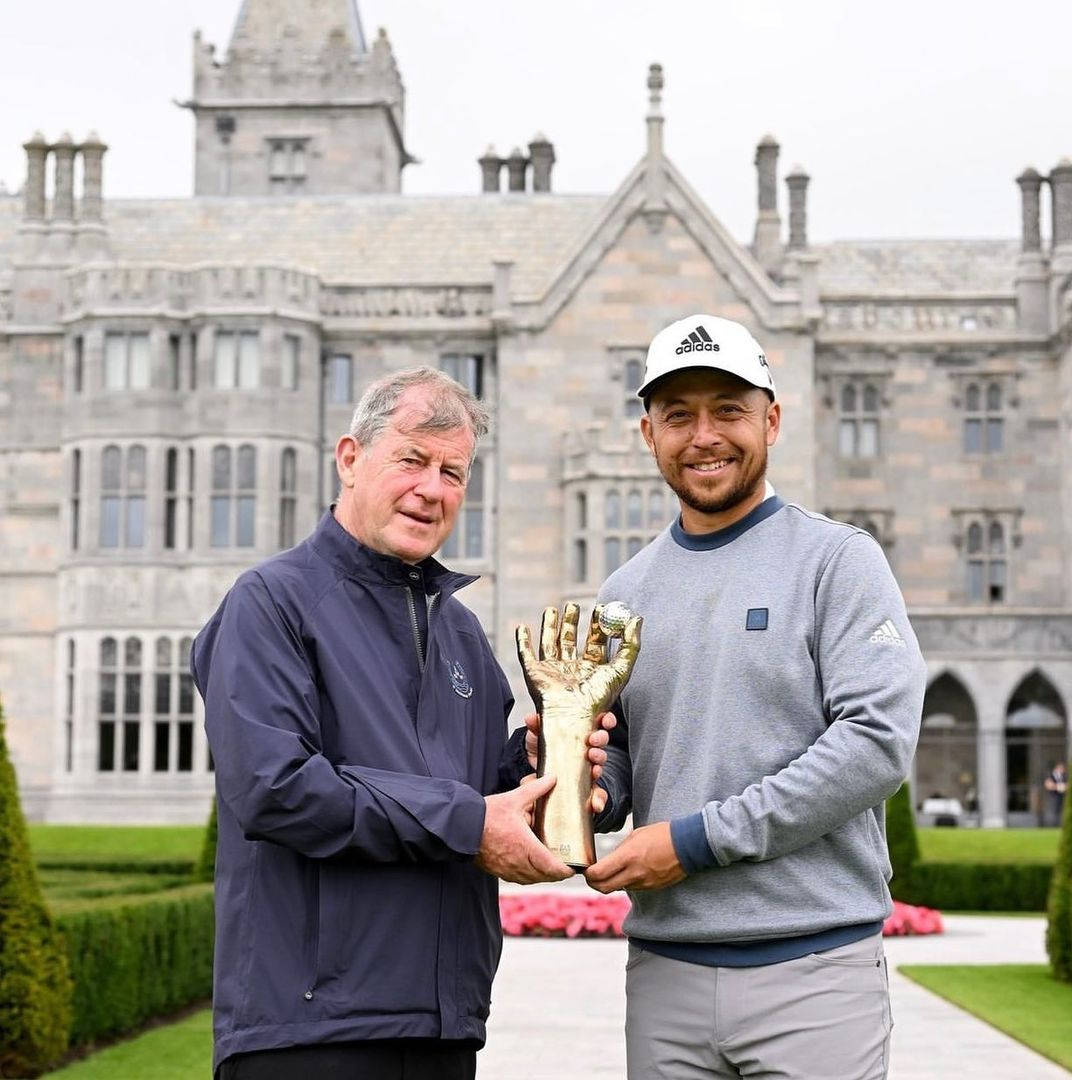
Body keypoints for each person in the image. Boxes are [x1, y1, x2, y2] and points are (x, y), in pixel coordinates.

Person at [192, 367, 613, 1080]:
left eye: (454, 471)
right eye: (412, 459)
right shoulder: (271, 604)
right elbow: (276, 788)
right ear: (351, 459)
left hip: (443, 1025)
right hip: (309, 1034)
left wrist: (543, 771)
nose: (433, 489)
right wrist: (472, 822)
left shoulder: (462, 633)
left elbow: (472, 794)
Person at [583, 314, 927, 1079]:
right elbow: (629, 761)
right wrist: (584, 782)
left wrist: (692, 843)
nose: (704, 435)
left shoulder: (836, 562)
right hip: (665, 975)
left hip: (814, 974)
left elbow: (874, 746)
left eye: (728, 410)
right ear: (649, 433)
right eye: (678, 415)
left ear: (771, 419)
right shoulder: (622, 594)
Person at [1044, 761, 1069, 826]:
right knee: (1053, 811)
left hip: (1061, 796)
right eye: (1061, 768)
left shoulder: (1064, 776)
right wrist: (1058, 787)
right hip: (1053, 796)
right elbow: (1048, 784)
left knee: (1061, 811)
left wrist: (1063, 787)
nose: (1063, 770)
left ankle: (1060, 824)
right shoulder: (1051, 775)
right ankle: (1052, 825)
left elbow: (1068, 785)